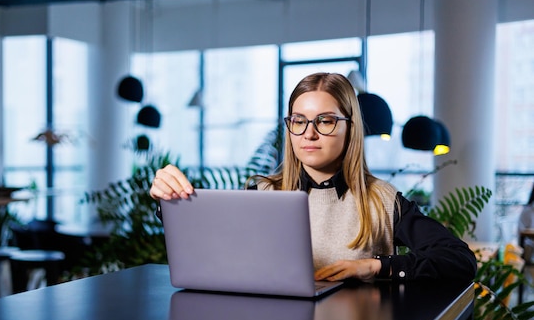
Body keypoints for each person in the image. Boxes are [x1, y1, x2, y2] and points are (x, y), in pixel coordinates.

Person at [149, 72, 477, 283]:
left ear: (351, 128)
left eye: (325, 121)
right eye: (298, 120)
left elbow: (459, 260)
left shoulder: (381, 200)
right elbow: (209, 249)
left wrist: (376, 266)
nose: (309, 133)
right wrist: (171, 201)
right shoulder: (260, 192)